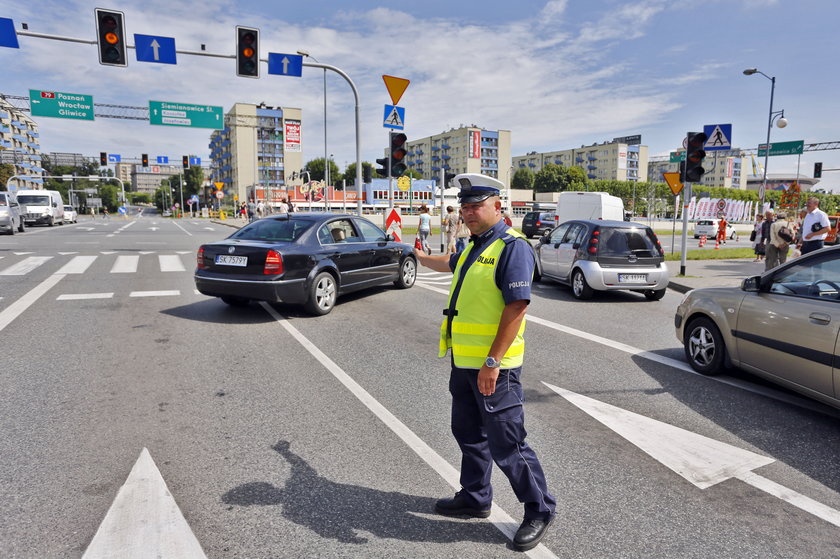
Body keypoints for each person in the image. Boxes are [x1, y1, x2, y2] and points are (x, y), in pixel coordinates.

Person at [413, 173, 556, 552]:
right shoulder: (475, 245)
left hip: (495, 368)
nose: (468, 213)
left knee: (508, 444)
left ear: (498, 205)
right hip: (464, 364)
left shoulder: (512, 247)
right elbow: (450, 263)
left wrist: (492, 362)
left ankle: (539, 510)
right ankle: (475, 497)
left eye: (476, 206)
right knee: (468, 433)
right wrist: (417, 256)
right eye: (464, 207)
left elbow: (517, 307)